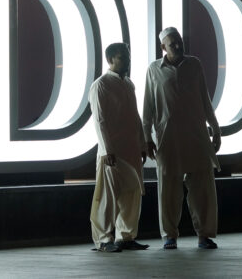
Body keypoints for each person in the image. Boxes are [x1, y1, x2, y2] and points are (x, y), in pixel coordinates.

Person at [142, 27, 221, 249]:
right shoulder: (153, 70)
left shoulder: (194, 64)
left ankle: (205, 235)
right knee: (168, 190)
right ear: (162, 47)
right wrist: (146, 138)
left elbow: (205, 100)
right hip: (168, 139)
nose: (177, 46)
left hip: (196, 136)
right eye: (172, 43)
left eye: (179, 42)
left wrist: (215, 128)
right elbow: (147, 108)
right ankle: (169, 236)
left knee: (203, 189)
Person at [89, 42, 149, 253]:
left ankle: (126, 236)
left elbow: (135, 116)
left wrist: (142, 145)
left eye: (128, 57)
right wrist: (107, 151)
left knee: (132, 193)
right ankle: (104, 240)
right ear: (110, 60)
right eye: (123, 57)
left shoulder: (129, 84)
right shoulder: (101, 85)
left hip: (131, 149)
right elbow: (100, 120)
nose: (127, 61)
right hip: (112, 153)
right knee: (107, 197)